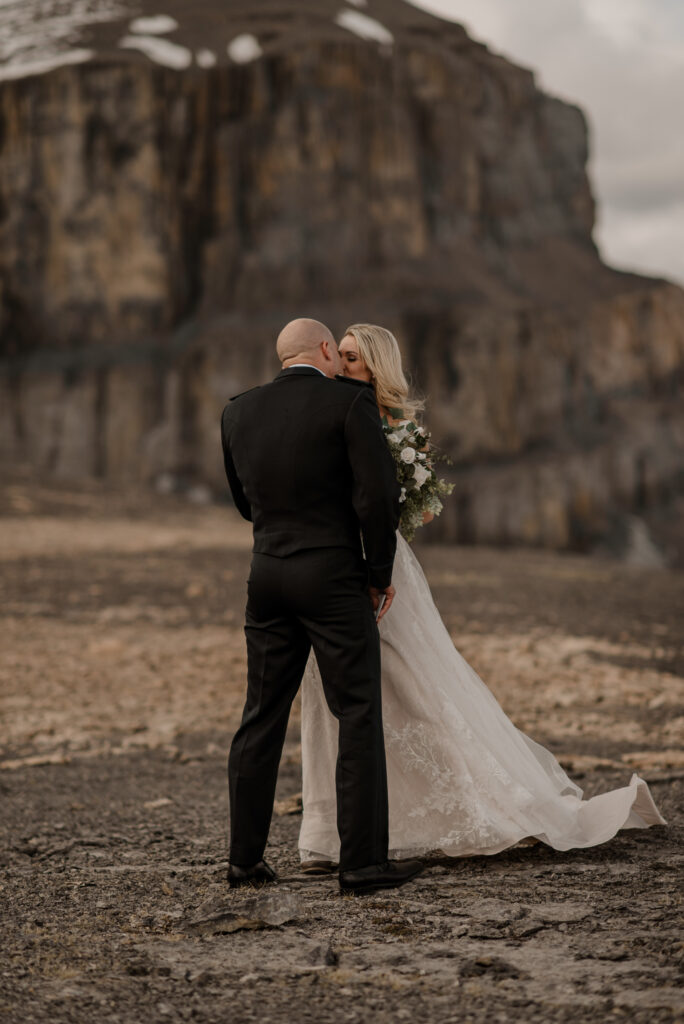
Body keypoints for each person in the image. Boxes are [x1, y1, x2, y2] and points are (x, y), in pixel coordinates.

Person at [298, 323, 666, 869]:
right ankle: (331, 831)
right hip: (328, 569)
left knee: (409, 686)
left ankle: (464, 803)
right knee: (331, 695)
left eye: (352, 359)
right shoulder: (335, 412)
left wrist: (376, 558)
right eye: (341, 356)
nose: (341, 366)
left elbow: (389, 504)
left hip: (372, 567)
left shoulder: (378, 422)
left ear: (374, 367)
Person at [220, 317, 423, 894]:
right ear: (328, 350)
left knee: (260, 715)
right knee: (357, 710)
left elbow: (243, 503)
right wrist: (379, 574)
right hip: (332, 575)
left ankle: (243, 861)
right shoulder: (347, 405)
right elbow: (377, 495)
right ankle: (361, 864)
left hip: (267, 574)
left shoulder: (237, 410)